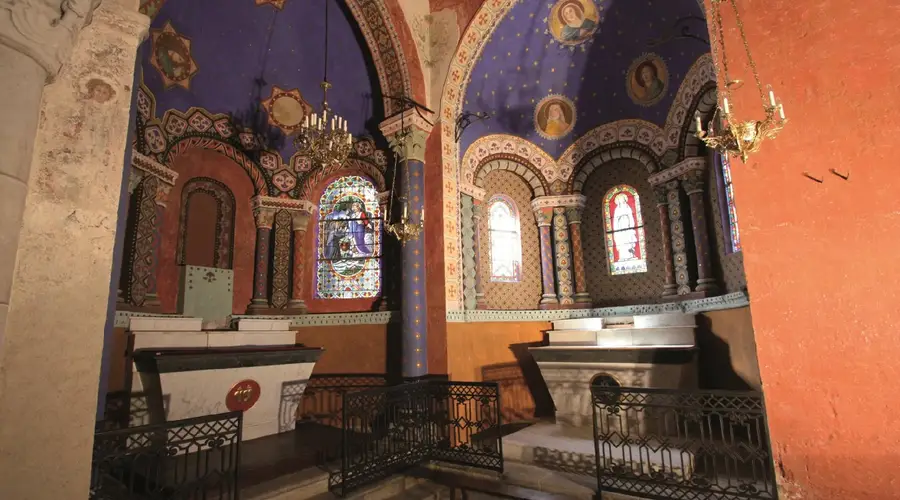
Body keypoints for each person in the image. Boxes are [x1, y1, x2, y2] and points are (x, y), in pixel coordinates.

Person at [612, 193, 638, 261]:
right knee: (622, 241)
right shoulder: (617, 209)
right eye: (620, 199)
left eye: (623, 199)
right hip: (620, 227)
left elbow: (630, 216)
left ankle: (631, 256)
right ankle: (622, 257)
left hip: (627, 224)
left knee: (628, 239)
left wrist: (631, 226)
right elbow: (615, 219)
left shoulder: (627, 207)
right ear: (618, 201)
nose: (622, 200)